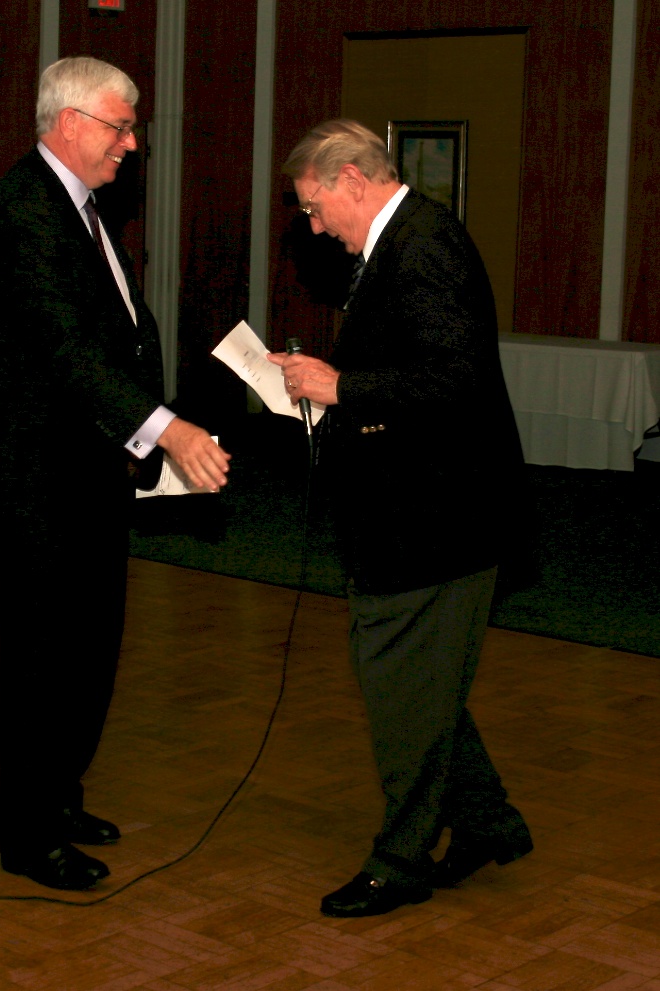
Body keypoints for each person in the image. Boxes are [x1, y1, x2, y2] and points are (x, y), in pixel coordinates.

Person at [0, 56, 231, 891]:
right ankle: (27, 833)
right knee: (45, 656)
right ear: (71, 122)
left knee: (89, 649)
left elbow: (119, 336)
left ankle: (60, 795)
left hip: (89, 473)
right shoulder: (23, 213)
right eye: (120, 126)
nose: (131, 142)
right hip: (39, 479)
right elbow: (67, 355)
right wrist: (167, 428)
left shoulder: (77, 207)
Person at [267, 119, 532, 918]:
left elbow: (454, 377)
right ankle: (487, 821)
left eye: (315, 207)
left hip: (436, 518)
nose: (314, 226)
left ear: (350, 178)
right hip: (429, 511)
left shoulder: (422, 246)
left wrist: (340, 388)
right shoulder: (407, 238)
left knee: (400, 688)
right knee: (424, 685)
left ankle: (402, 858)